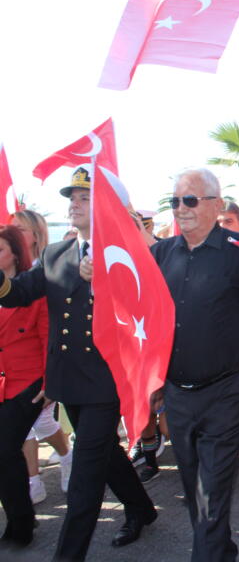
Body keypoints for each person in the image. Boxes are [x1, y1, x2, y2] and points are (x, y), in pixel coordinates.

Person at [0, 167, 156, 560]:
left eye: (85, 198)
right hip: (67, 380)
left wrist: (107, 275)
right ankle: (141, 508)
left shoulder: (126, 255)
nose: (74, 203)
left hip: (105, 381)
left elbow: (146, 304)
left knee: (86, 475)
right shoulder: (57, 253)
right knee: (104, 455)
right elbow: (19, 293)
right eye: (72, 197)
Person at [151, 168, 239, 562]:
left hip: (230, 389)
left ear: (215, 204)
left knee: (212, 489)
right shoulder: (160, 254)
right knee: (193, 484)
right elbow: (128, 292)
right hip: (178, 394)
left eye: (190, 200)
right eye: (175, 201)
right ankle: (220, 550)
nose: (181, 208)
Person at [12, 210, 73, 499]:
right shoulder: (10, 268)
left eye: (21, 229)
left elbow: (51, 326)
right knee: (25, 427)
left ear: (35, 235)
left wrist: (52, 376)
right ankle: (32, 481)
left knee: (43, 422)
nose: (14, 233)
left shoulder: (47, 264)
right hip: (10, 366)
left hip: (40, 359)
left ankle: (66, 455)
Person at [0, 225, 48, 547]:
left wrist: (50, 383)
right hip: (2, 381)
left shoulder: (33, 290)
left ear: (15, 253)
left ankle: (22, 524)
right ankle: (19, 520)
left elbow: (48, 338)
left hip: (28, 382)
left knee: (4, 451)